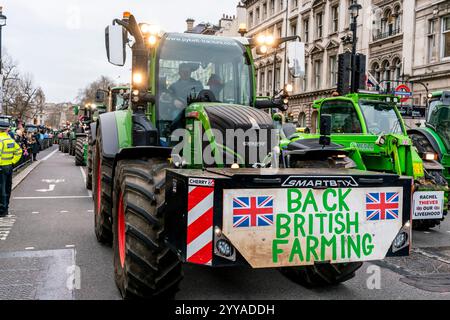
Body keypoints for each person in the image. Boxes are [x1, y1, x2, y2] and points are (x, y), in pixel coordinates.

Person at [0, 120, 23, 217]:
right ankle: (6, 207)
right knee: (7, 188)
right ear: (7, 129)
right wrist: (13, 162)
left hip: (1, 167)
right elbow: (19, 152)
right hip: (9, 166)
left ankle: (2, 210)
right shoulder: (10, 140)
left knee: (1, 189)